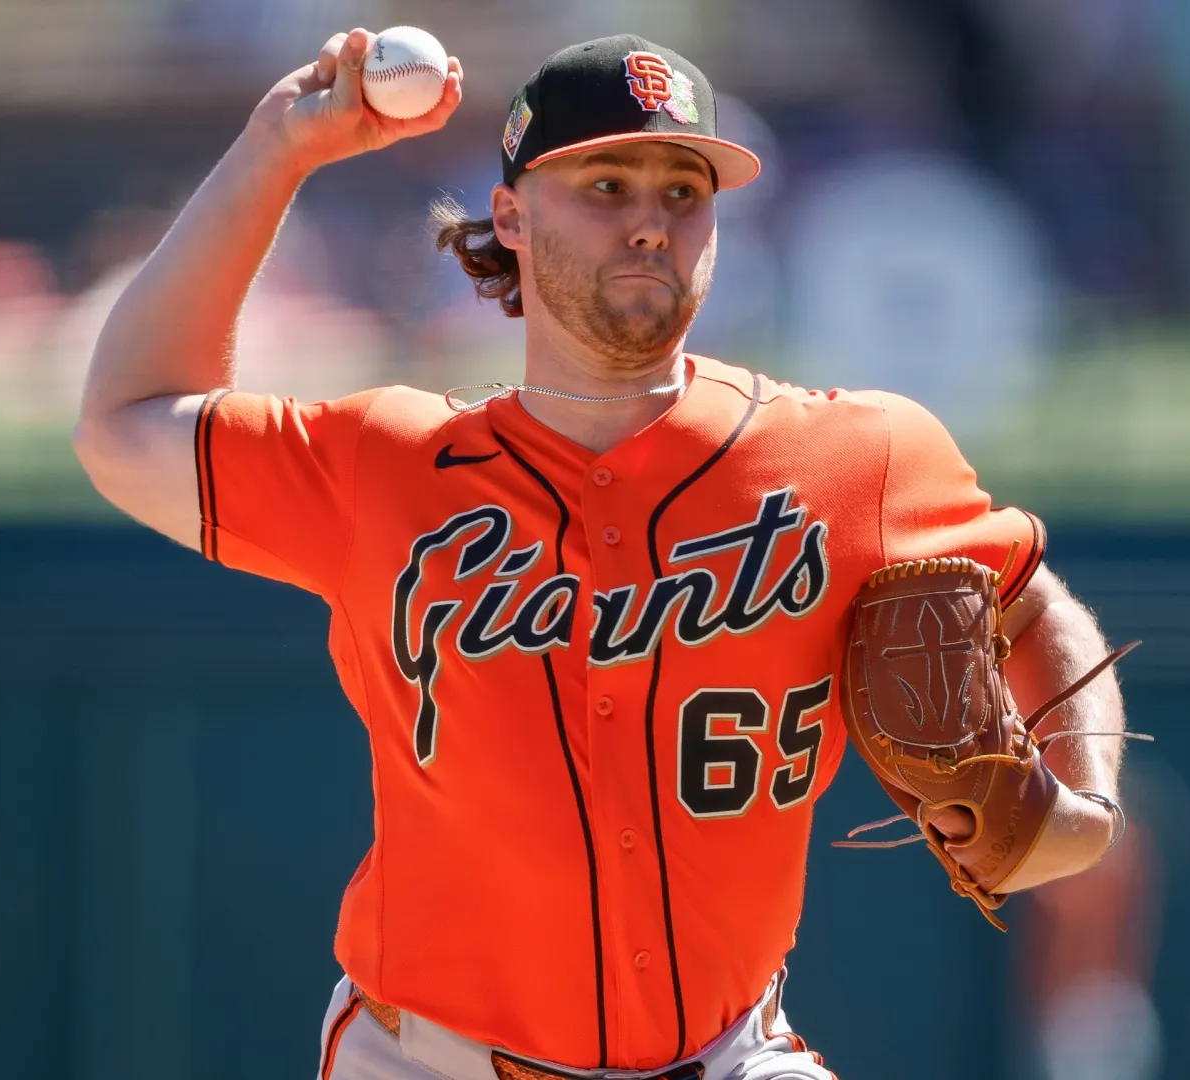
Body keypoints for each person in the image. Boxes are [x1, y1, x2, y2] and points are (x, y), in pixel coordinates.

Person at [74, 28, 1132, 1080]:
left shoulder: (857, 458)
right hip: (431, 1061)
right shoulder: (385, 463)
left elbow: (1034, 605)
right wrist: (275, 151)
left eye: (684, 192)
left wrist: (1087, 798)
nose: (650, 223)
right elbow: (125, 422)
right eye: (607, 186)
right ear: (510, 217)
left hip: (729, 1056)